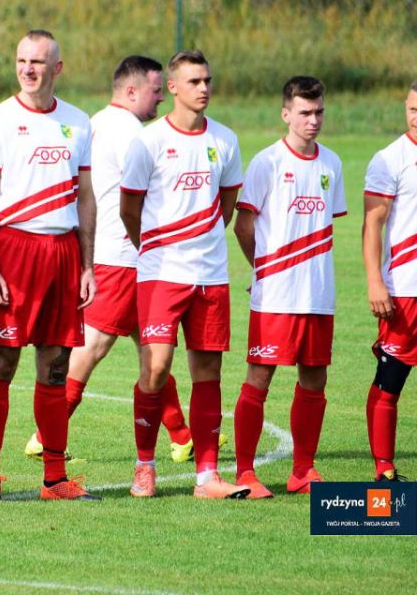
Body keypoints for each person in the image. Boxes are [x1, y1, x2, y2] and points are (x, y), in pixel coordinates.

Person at [25, 55, 204, 465]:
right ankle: (44, 437)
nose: (162, 98)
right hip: (122, 255)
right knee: (93, 346)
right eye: (156, 90)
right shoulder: (132, 134)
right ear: (132, 91)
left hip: (121, 255)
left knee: (151, 346)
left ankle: (182, 436)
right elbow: (150, 193)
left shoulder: (97, 122)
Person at [0, 29, 98, 501]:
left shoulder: (78, 122)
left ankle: (54, 479)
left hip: (63, 253)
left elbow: (85, 198)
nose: (28, 69)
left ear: (57, 68)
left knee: (55, 367)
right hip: (15, 251)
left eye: (38, 62)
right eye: (22, 60)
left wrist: (87, 266)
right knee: (2, 361)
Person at [119, 50, 249, 499]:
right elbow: (129, 209)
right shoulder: (149, 141)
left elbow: (227, 206)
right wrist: (155, 249)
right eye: (194, 81)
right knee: (155, 369)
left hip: (211, 274)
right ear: (172, 87)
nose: (204, 88)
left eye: (207, 80)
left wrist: (202, 244)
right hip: (160, 273)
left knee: (208, 372)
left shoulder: (226, 140)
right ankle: (144, 465)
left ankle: (207, 476)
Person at [231, 76, 346, 498]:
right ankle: (245, 473)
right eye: (304, 112)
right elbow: (243, 226)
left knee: (315, 378)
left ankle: (303, 470)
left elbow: (324, 226)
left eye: (319, 112)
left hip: (318, 294)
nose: (313, 120)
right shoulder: (267, 162)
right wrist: (262, 270)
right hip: (276, 294)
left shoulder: (332, 164)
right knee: (260, 376)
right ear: (286, 114)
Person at [362, 81, 417, 482]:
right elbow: (373, 224)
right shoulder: (390, 159)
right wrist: (375, 281)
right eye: (413, 109)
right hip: (405, 287)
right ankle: (384, 467)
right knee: (391, 379)